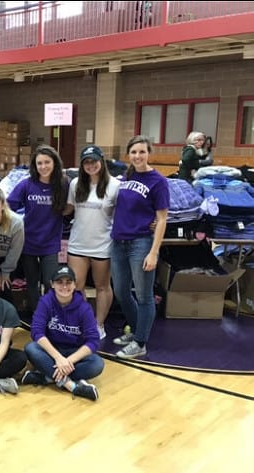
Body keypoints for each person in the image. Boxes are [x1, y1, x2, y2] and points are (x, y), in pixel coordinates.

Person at [111, 135, 169, 359]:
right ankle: (136, 330)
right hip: (118, 242)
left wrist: (154, 252)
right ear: (128, 154)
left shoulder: (158, 181)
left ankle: (141, 342)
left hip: (141, 243)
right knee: (121, 292)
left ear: (149, 153)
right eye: (133, 152)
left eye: (142, 152)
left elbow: (162, 219)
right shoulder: (127, 176)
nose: (137, 156)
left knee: (144, 295)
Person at [22, 266, 103, 401]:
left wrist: (68, 361)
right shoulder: (45, 302)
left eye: (68, 282)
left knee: (97, 364)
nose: (64, 286)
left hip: (74, 353)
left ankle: (47, 377)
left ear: (75, 284)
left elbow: (93, 341)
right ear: (52, 284)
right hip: (52, 351)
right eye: (60, 282)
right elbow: (36, 332)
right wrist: (58, 358)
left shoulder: (84, 308)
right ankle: (71, 385)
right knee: (31, 348)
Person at [64, 146, 120, 340]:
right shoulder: (75, 184)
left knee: (102, 286)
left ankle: (99, 324)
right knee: (76, 287)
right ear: (82, 165)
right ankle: (84, 320)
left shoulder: (114, 185)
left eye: (94, 161)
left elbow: (125, 213)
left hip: (103, 244)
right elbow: (67, 209)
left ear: (102, 161)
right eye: (86, 162)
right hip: (78, 244)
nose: (91, 165)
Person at [7, 145, 68, 316]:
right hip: (29, 242)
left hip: (51, 243)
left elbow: (73, 204)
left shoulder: (63, 184)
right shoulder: (27, 184)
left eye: (47, 162)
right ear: (34, 165)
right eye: (39, 163)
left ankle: (51, 313)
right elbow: (9, 205)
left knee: (51, 282)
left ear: (54, 163)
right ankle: (37, 314)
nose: (43, 166)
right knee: (32, 282)